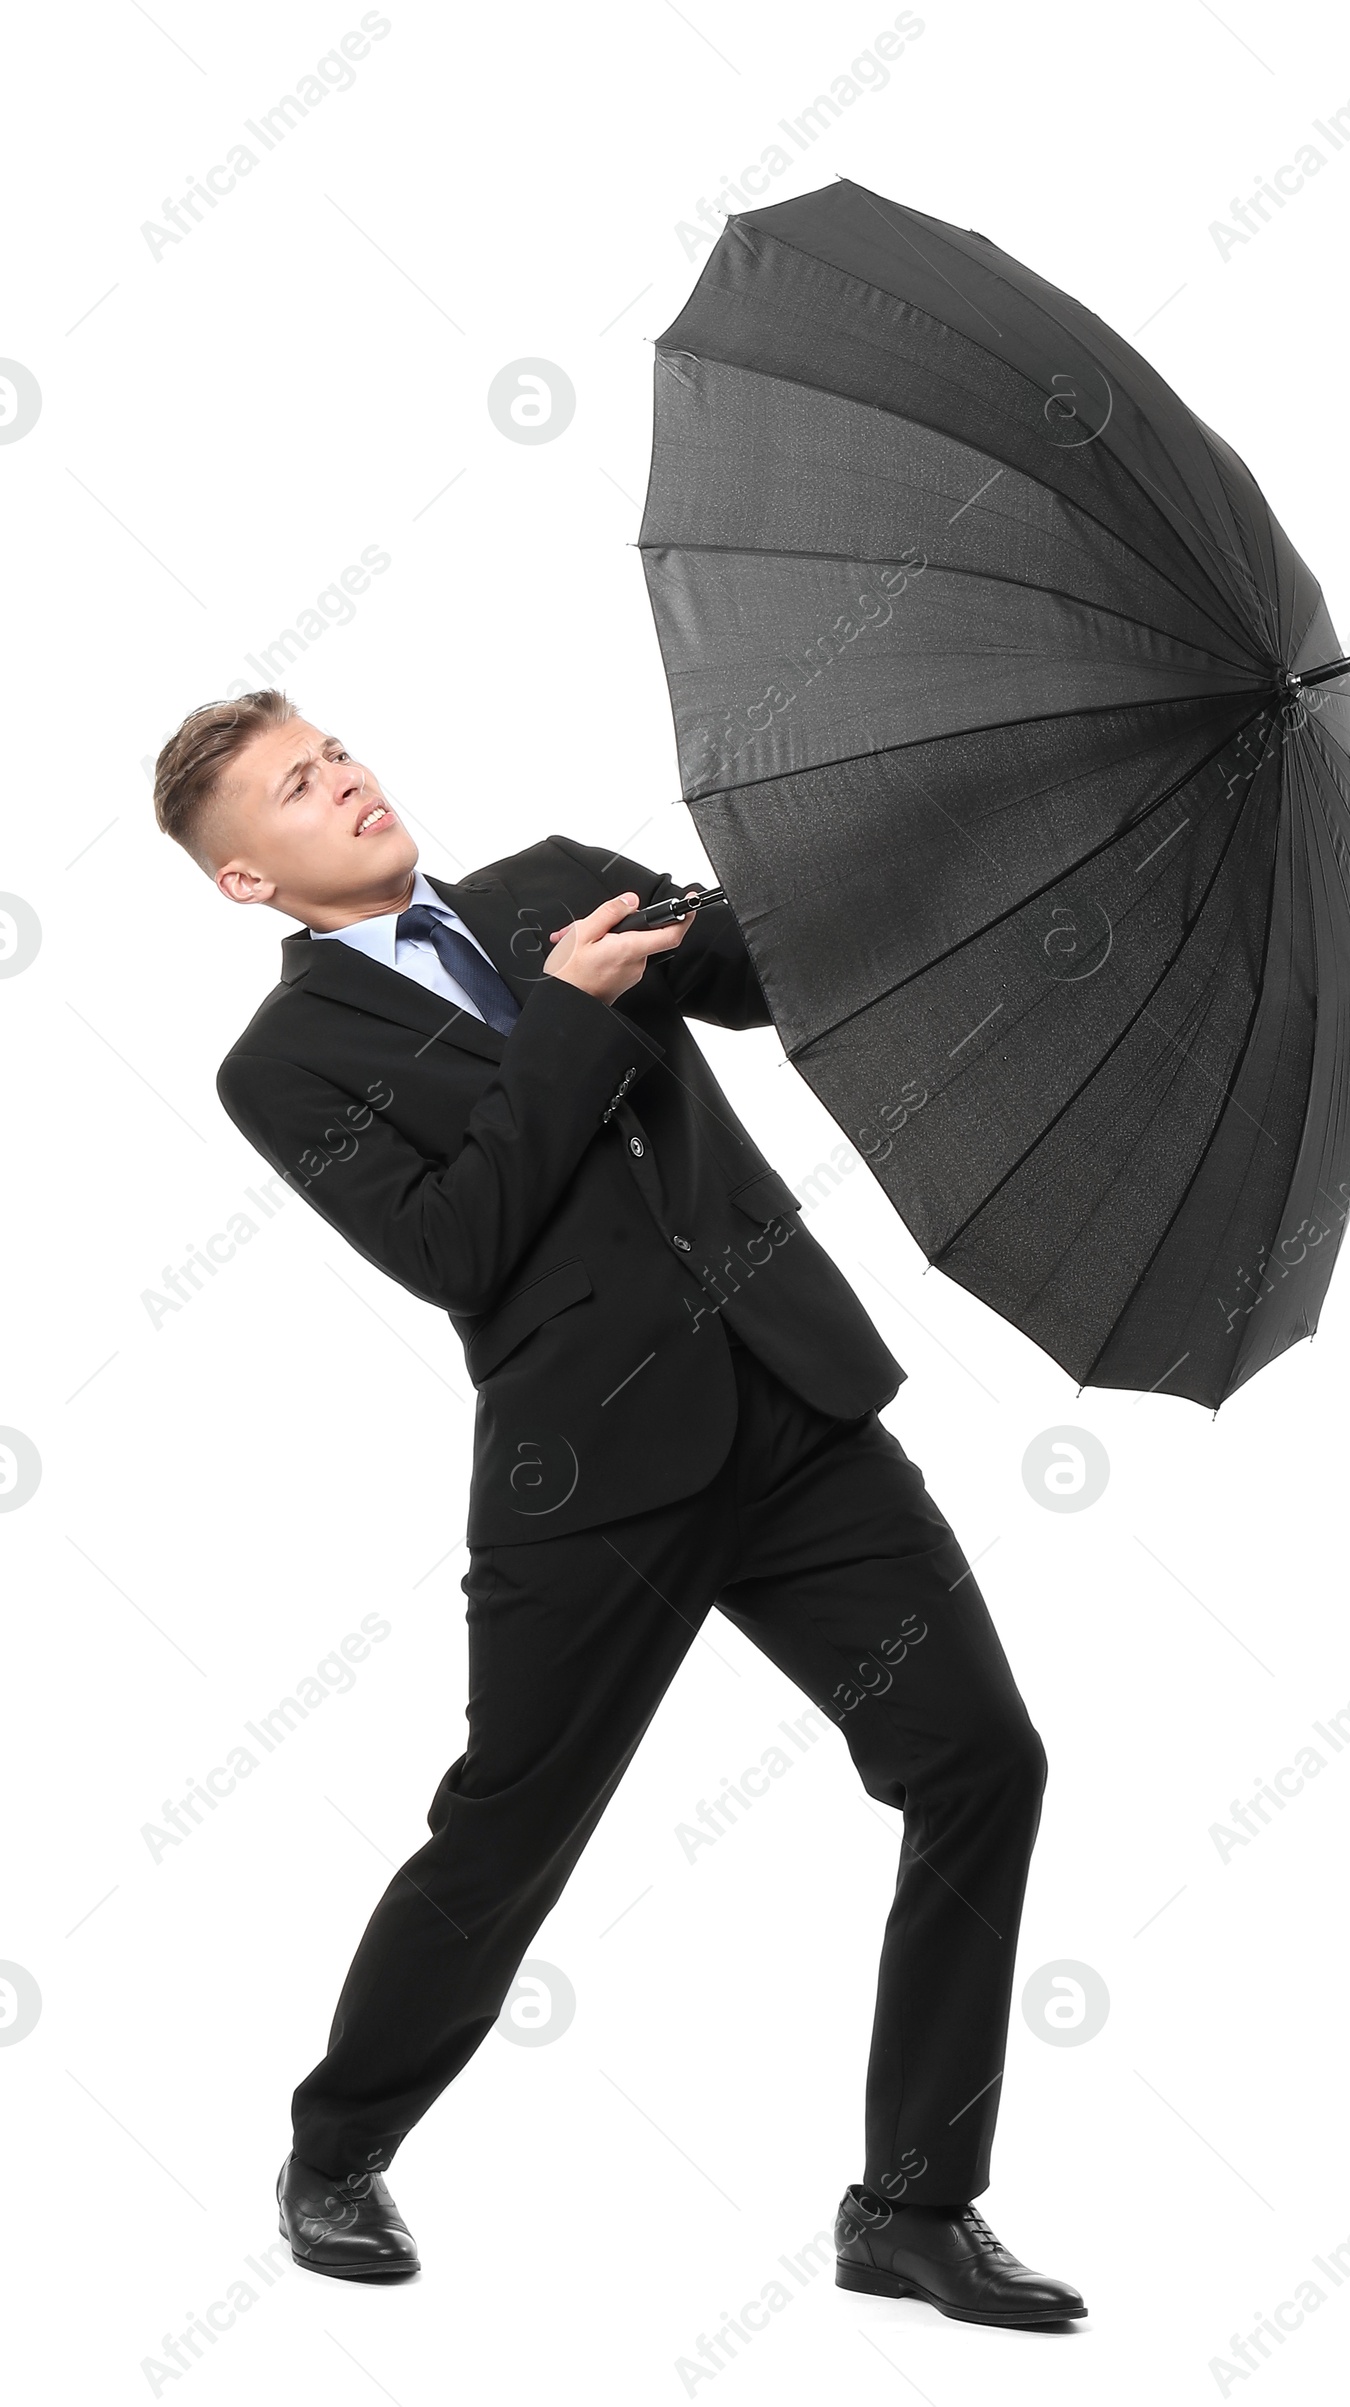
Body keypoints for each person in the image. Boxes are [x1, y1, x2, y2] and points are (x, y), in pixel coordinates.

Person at [152, 687, 1084, 2330]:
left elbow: (781, 966)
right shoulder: (283, 1064)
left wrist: (925, 807)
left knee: (982, 1762)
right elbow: (457, 1246)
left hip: (796, 1404)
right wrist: (574, 1016)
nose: (349, 783)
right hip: (584, 1475)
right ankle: (336, 2150)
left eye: (340, 751)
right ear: (250, 880)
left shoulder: (548, 883)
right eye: (299, 790)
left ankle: (915, 2210)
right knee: (513, 1825)